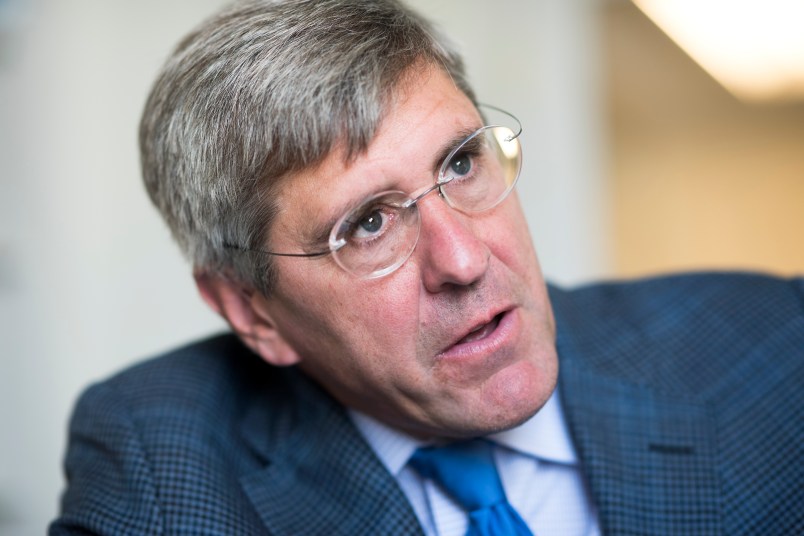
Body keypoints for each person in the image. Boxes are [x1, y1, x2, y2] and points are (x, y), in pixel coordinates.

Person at [50, 0, 803, 534]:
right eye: (368, 224)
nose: (465, 259)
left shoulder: (774, 350)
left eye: (461, 162)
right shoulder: (160, 460)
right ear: (253, 311)